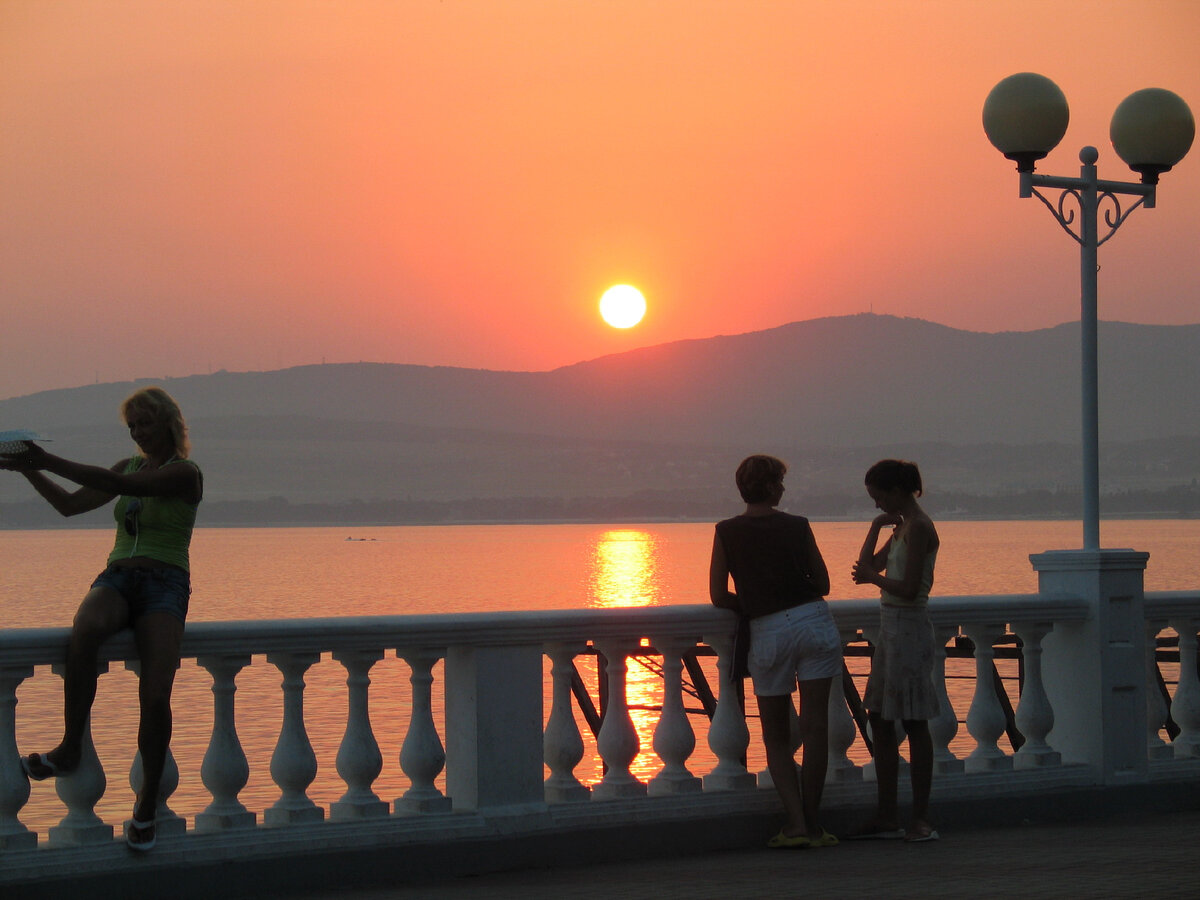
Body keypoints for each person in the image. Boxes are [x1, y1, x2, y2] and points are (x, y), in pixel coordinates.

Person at [1, 387, 202, 852]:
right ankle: (71, 746)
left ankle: (146, 802)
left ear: (168, 423)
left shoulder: (184, 473)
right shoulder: (126, 466)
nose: (137, 433)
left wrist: (46, 459)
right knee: (86, 628)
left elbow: (123, 489)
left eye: (145, 424)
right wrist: (31, 470)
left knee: (154, 695)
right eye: (132, 426)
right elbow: (70, 505)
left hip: (165, 583)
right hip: (118, 576)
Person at [709, 455, 842, 849]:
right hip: (813, 621)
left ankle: (797, 823)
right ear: (770, 487)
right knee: (816, 729)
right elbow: (823, 582)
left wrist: (751, 601)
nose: (784, 488)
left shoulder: (726, 531)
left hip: (767, 630)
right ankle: (816, 824)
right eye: (780, 481)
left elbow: (718, 595)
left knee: (776, 737)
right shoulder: (798, 526)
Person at [850, 458, 940, 843]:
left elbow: (909, 587)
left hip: (909, 628)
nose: (877, 505)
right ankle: (887, 814)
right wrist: (875, 529)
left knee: (914, 721)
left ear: (899, 491)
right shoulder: (902, 527)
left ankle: (919, 818)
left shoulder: (919, 527)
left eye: (879, 497)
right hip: (890, 629)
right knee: (880, 720)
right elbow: (867, 565)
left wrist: (872, 578)